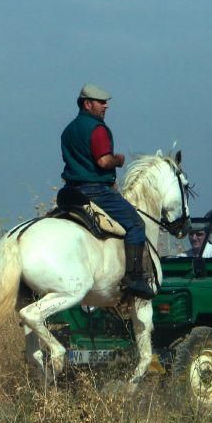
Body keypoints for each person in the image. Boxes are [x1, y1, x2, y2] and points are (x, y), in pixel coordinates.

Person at [61, 83, 153, 299]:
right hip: (96, 191)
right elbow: (103, 161)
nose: (105, 106)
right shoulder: (97, 129)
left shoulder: (67, 131)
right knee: (136, 224)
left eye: (106, 103)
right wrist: (118, 160)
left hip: (71, 192)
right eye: (101, 102)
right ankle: (134, 279)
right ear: (87, 104)